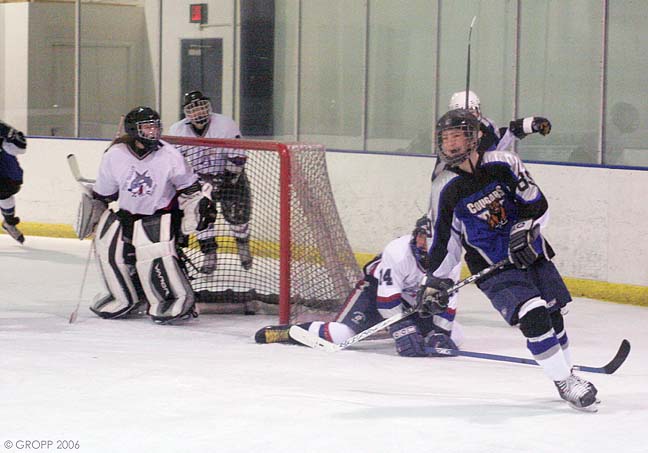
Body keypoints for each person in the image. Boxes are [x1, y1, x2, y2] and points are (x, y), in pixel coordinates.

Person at [419, 108, 598, 411]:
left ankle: (566, 374)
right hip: (492, 265)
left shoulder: (505, 163)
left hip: (531, 251)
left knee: (553, 314)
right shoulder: (443, 188)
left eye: (457, 136)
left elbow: (536, 203)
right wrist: (434, 281)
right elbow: (444, 241)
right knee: (533, 313)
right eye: (445, 138)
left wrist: (525, 229)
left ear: (474, 137)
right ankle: (566, 382)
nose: (450, 144)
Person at [255, 216, 463, 358]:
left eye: (428, 238)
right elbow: (387, 300)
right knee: (340, 335)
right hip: (374, 292)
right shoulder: (398, 252)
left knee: (456, 335)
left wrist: (440, 333)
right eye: (420, 235)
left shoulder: (451, 259)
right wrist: (401, 328)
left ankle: (415, 331)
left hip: (413, 300)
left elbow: (449, 300)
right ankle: (290, 332)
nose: (421, 242)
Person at [85, 106, 216, 324]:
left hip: (160, 217)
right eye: (147, 127)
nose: (153, 131)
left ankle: (173, 300)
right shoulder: (115, 155)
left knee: (153, 257)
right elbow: (105, 193)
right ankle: (123, 297)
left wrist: (199, 207)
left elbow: (190, 188)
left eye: (155, 127)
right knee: (110, 253)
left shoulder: (170, 155)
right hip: (127, 216)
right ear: (133, 130)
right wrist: (93, 209)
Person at [168, 90, 252, 273]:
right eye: (193, 109)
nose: (198, 112)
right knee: (200, 216)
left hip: (230, 177)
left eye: (201, 107)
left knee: (238, 217)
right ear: (187, 112)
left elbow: (238, 156)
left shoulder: (225, 125)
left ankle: (243, 246)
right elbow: (176, 162)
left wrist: (227, 179)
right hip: (199, 179)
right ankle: (209, 255)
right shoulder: (177, 130)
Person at [432, 90, 552, 180]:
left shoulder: (486, 127)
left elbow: (500, 140)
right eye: (465, 113)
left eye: (473, 111)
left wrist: (528, 125)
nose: (470, 117)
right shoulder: (450, 138)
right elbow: (439, 176)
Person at [0, 120, 27, 244]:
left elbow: (21, 147)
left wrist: (9, 141)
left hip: (6, 169)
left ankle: (9, 223)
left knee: (7, 191)